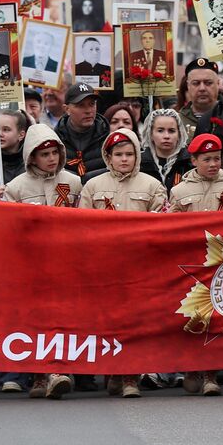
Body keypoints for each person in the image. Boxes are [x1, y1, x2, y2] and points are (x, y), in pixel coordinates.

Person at [79, 129, 167, 398]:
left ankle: (131, 376)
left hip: (140, 266)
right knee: (109, 321)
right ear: (108, 157)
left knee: (135, 323)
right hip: (105, 265)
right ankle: (114, 371)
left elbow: (163, 224)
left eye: (130, 154)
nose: (125, 159)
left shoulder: (152, 185)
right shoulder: (92, 186)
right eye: (118, 154)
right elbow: (81, 225)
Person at [0, 122, 82, 397]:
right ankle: (37, 376)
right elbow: (7, 228)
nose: (52, 158)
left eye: (55, 152)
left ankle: (58, 370)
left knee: (61, 317)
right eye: (44, 154)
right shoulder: (16, 187)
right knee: (34, 319)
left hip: (65, 263)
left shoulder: (73, 182)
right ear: (32, 156)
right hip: (31, 265)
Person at [55, 82, 110, 179]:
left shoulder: (108, 139)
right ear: (67, 109)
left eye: (92, 104)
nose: (88, 110)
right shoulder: (55, 140)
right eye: (81, 105)